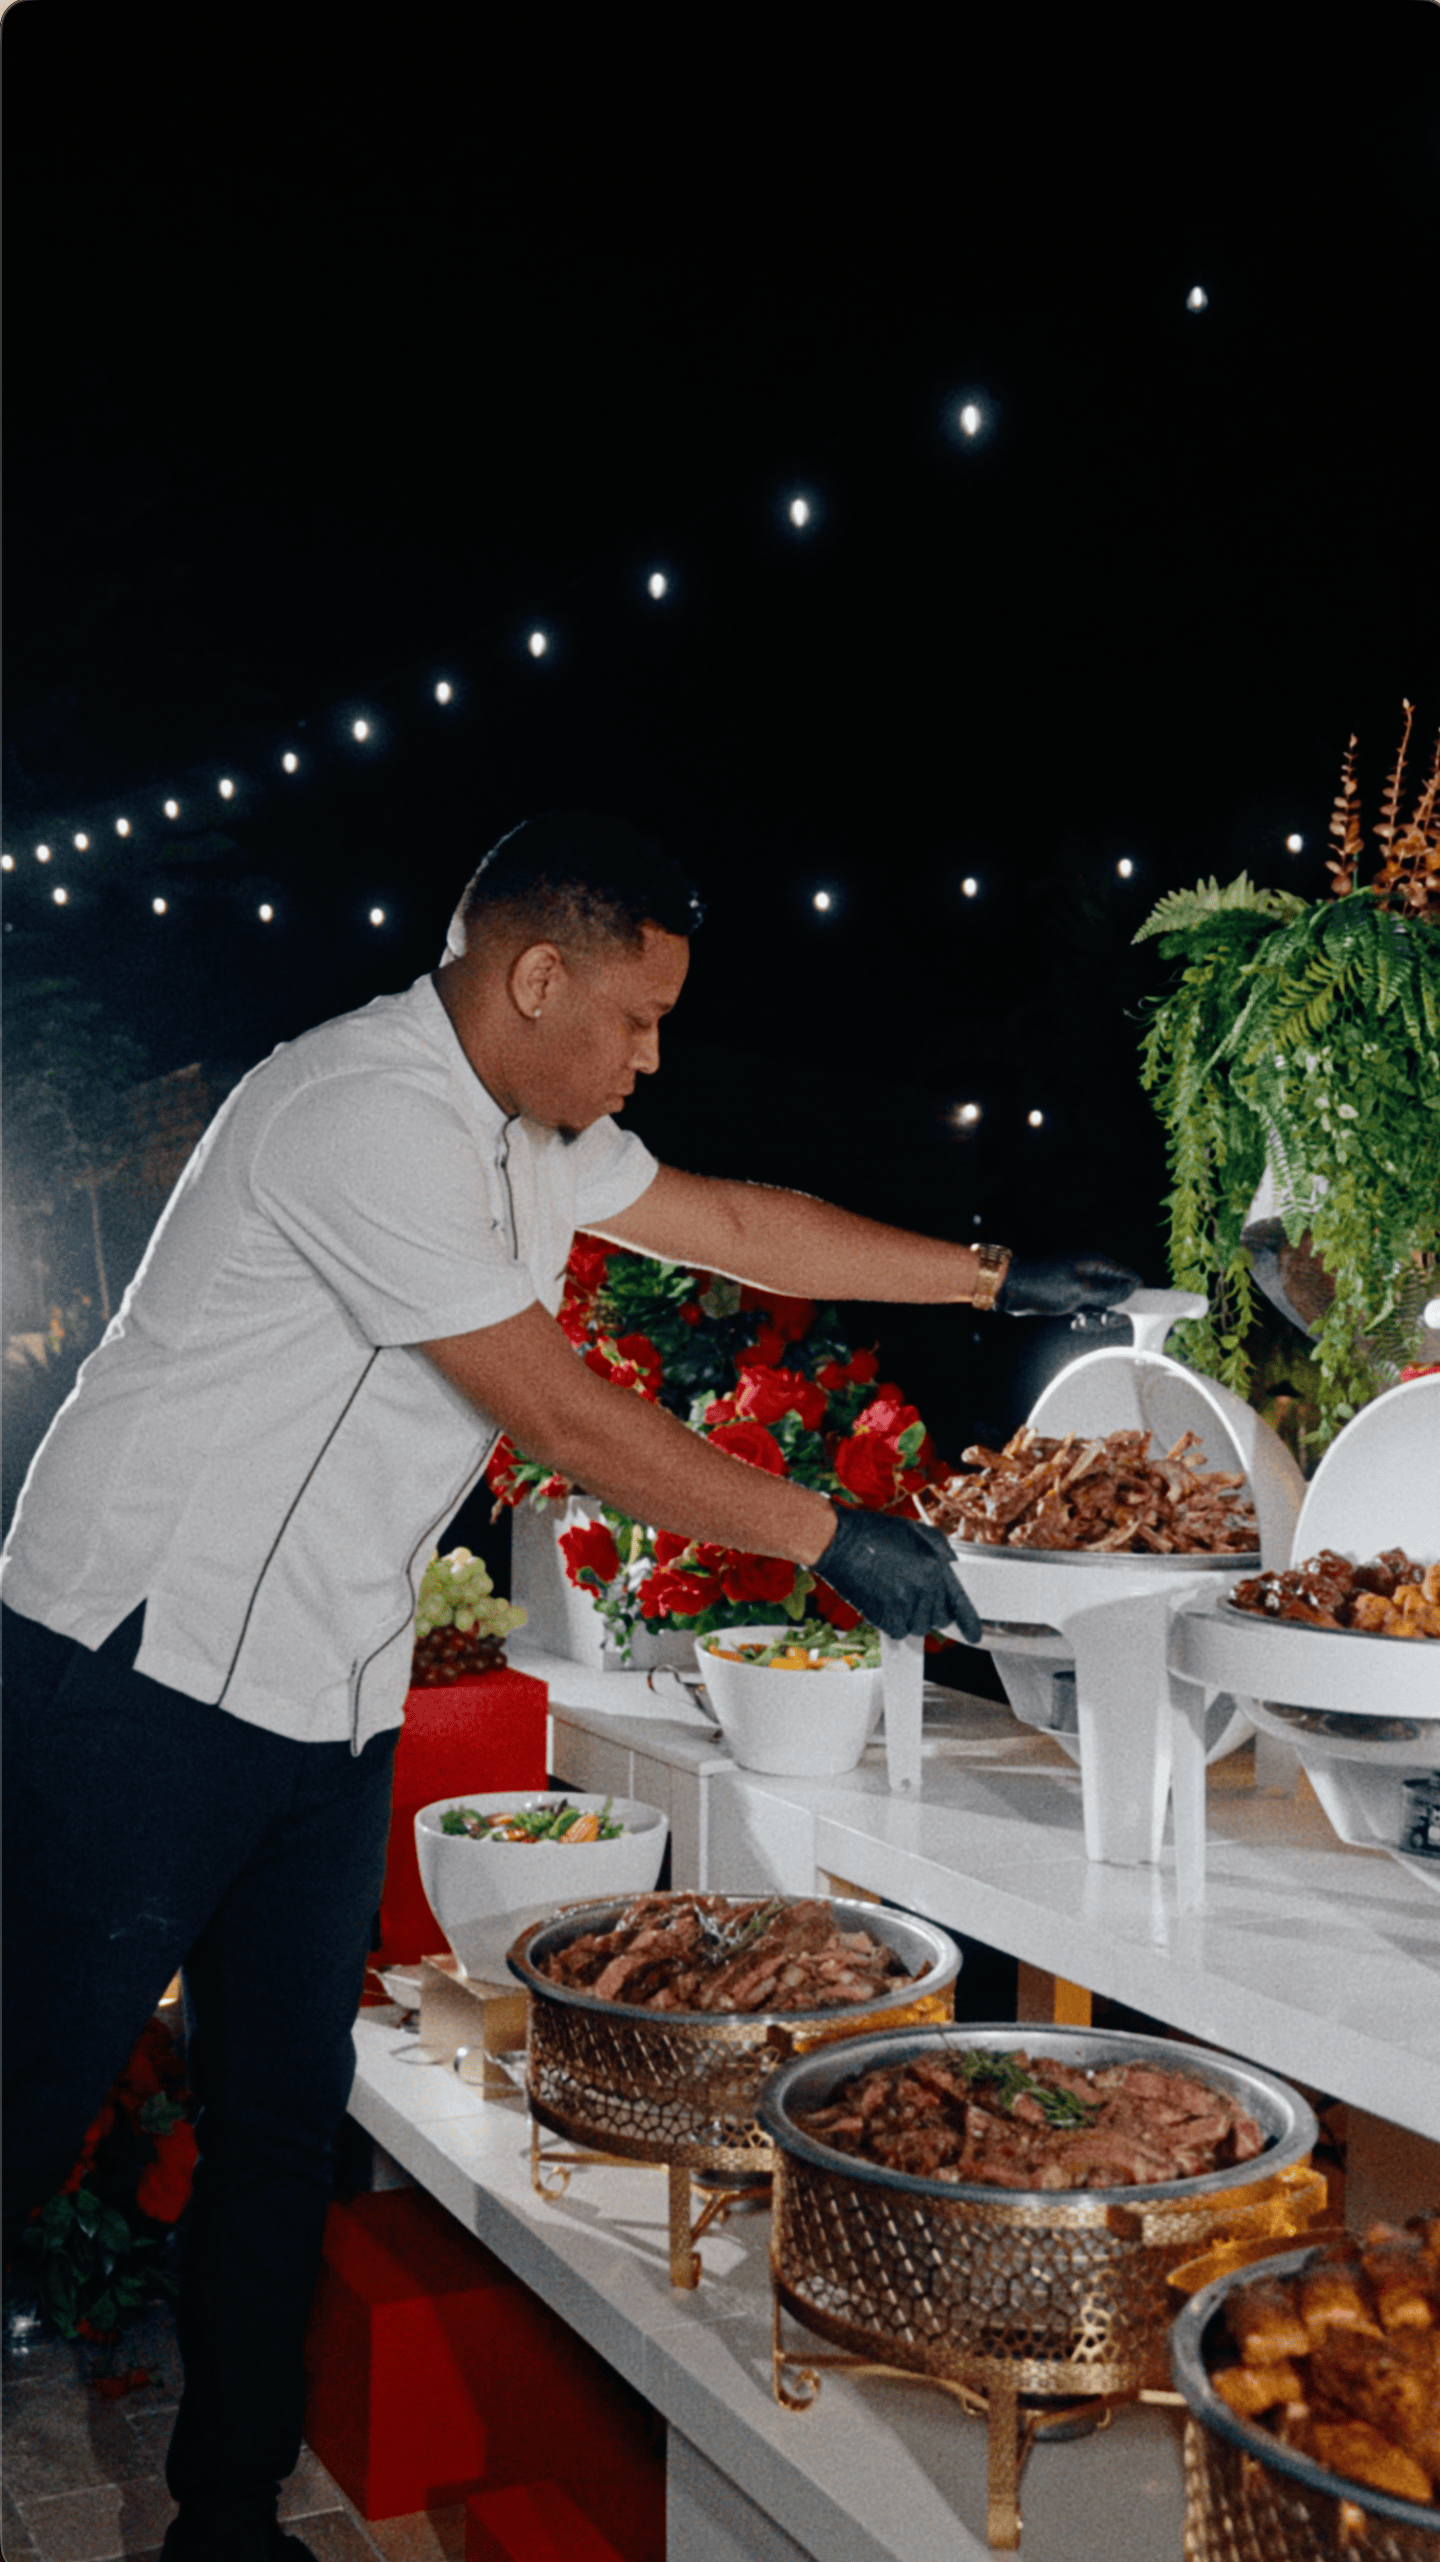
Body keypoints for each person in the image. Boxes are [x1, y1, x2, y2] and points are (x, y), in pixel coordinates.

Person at [0, 810, 1137, 2561]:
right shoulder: (363, 1107)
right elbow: (557, 1415)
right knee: (21, 2104)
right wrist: (831, 1530)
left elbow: (747, 1222)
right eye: (637, 1018)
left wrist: (993, 1274)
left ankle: (222, 2531)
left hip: (323, 1692)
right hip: (131, 1666)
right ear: (536, 975)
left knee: (281, 2127)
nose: (654, 1056)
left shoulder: (534, 1131)